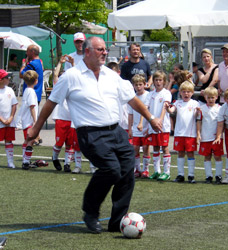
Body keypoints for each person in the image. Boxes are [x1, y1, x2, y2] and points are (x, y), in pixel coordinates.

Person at [26, 37, 162, 234]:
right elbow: (51, 102)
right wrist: (36, 128)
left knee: (126, 170)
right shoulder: (71, 76)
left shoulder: (111, 75)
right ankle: (90, 212)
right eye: (100, 50)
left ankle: (117, 221)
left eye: (105, 50)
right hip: (91, 133)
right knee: (111, 169)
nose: (104, 53)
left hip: (116, 131)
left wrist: (150, 118)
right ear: (88, 52)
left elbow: (131, 99)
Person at [166, 81, 200, 183]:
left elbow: (196, 116)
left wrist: (197, 112)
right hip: (179, 133)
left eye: (188, 92)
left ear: (192, 93)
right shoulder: (177, 102)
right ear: (180, 92)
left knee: (190, 153)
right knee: (180, 153)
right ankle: (180, 174)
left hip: (190, 134)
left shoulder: (195, 103)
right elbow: (171, 110)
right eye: (184, 91)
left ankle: (191, 175)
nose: (186, 94)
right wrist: (168, 108)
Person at [145, 70, 172, 181]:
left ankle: (167, 172)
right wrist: (147, 123)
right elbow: (146, 109)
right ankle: (157, 171)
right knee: (155, 148)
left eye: (160, 80)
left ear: (164, 81)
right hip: (153, 126)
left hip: (163, 126)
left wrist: (160, 120)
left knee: (165, 148)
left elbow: (165, 106)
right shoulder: (150, 94)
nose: (158, 82)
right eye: (156, 80)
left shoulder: (166, 93)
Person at [51, 56, 75, 173]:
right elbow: (55, 75)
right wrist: (60, 63)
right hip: (61, 118)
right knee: (59, 143)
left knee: (70, 144)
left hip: (71, 119)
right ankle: (55, 158)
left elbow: (77, 77)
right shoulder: (59, 85)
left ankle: (67, 164)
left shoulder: (74, 85)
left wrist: (73, 63)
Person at [196, 86, 223, 184]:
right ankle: (208, 176)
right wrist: (198, 134)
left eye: (213, 97)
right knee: (207, 157)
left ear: (216, 97)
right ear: (205, 97)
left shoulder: (220, 109)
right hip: (205, 137)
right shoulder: (201, 109)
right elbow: (198, 121)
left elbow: (221, 123)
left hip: (216, 138)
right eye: (208, 97)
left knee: (217, 156)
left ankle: (218, 176)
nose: (211, 99)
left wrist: (219, 135)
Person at [128, 74, 151, 178]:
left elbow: (145, 110)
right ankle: (137, 169)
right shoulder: (132, 97)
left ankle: (146, 170)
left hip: (146, 127)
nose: (138, 87)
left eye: (140, 84)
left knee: (146, 147)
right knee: (135, 148)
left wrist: (145, 125)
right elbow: (130, 114)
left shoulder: (148, 95)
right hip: (136, 128)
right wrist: (130, 128)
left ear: (145, 84)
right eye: (136, 85)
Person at [18, 70, 39, 170]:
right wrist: (35, 121)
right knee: (31, 140)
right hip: (29, 120)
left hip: (25, 120)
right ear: (35, 80)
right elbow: (32, 106)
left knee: (27, 140)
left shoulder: (26, 90)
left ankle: (25, 160)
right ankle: (26, 162)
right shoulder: (31, 92)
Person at [0, 69, 17, 168]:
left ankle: (10, 161)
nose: (9, 79)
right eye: (7, 77)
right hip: (1, 122)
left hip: (9, 122)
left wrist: (11, 117)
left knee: (9, 141)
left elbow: (14, 104)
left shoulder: (9, 90)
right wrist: (2, 119)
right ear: (1, 80)